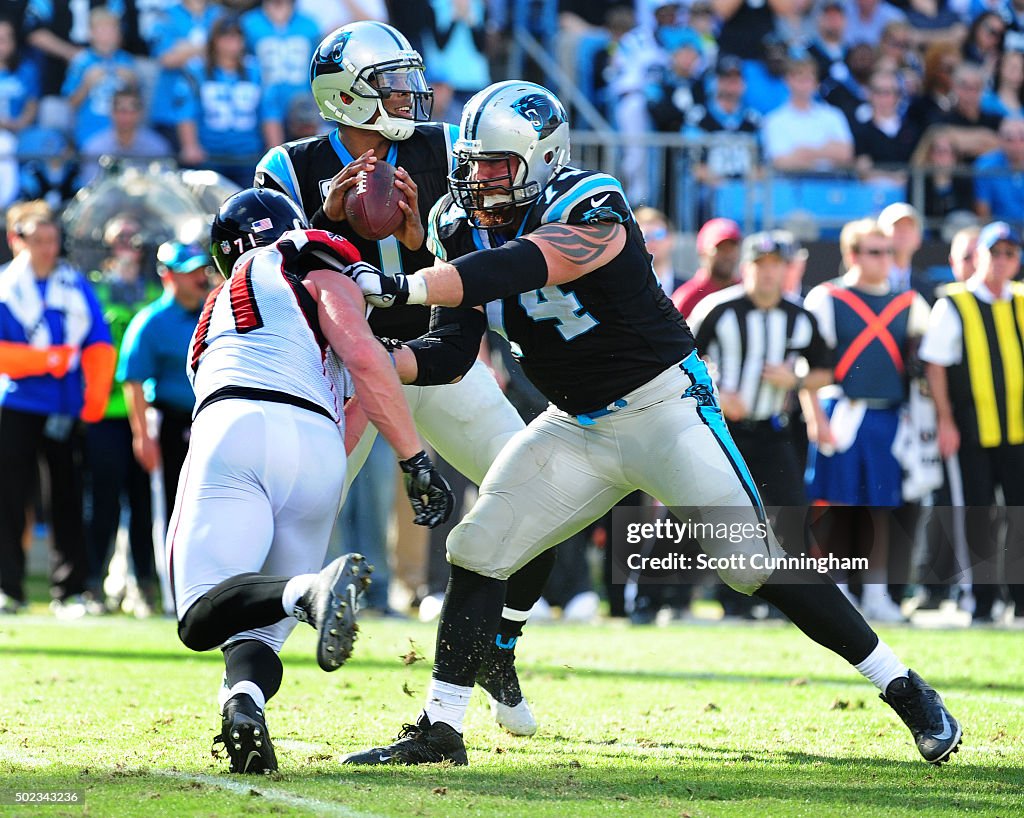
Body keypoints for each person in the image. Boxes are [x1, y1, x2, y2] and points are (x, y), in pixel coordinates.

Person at [342, 80, 962, 767]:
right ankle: (441, 727)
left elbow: (531, 262)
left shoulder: (590, 199)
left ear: (543, 158)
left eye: (495, 165)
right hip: (575, 425)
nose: (477, 180)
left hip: (663, 409)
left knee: (752, 566)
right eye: (471, 164)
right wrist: (373, 356)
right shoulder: (458, 223)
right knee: (477, 549)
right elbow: (452, 352)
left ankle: (906, 690)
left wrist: (405, 284)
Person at [253, 21, 551, 737]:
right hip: (347, 374)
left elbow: (487, 251)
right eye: (391, 82)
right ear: (348, 97)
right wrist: (319, 225)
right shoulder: (289, 169)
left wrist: (425, 242)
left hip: (434, 357)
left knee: (539, 498)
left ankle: (496, 649)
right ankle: (248, 691)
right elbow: (262, 280)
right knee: (298, 532)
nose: (410, 95)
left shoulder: (446, 147)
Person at [171, 186, 453, 774]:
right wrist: (412, 459)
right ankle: (242, 706)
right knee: (256, 633)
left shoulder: (235, 295)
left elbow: (361, 352)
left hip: (238, 422)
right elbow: (362, 368)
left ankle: (307, 592)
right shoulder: (314, 264)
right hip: (319, 445)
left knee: (200, 614)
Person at [0, 210, 115, 616]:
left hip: (65, 409)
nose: (48, 249)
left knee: (66, 499)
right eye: (39, 240)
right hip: (16, 407)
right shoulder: (5, 287)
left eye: (53, 240)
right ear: (18, 241)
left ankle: (70, 592)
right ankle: (8, 589)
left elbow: (100, 343)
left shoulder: (74, 283)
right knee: (10, 499)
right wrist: (47, 358)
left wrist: (94, 400)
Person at [920, 221, 1024, 626]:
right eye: (993, 252)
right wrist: (946, 420)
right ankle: (981, 602)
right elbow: (936, 366)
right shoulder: (954, 303)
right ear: (977, 255)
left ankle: (1019, 600)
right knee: (978, 514)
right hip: (971, 429)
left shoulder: (1020, 301)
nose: (1000, 261)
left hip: (1017, 429)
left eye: (1009, 254)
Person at [83, 214, 161, 614]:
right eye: (120, 238)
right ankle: (93, 583)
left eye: (134, 237)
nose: (128, 244)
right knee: (104, 501)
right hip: (105, 410)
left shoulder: (152, 291)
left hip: (145, 411)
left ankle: (144, 585)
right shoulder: (94, 291)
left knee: (145, 503)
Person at [119, 239, 212, 532]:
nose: (200, 278)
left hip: (207, 420)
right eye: (190, 272)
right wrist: (142, 437)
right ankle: (165, 576)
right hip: (168, 425)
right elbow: (133, 381)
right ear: (167, 275)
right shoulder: (150, 322)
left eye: (202, 270)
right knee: (168, 505)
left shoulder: (214, 313)